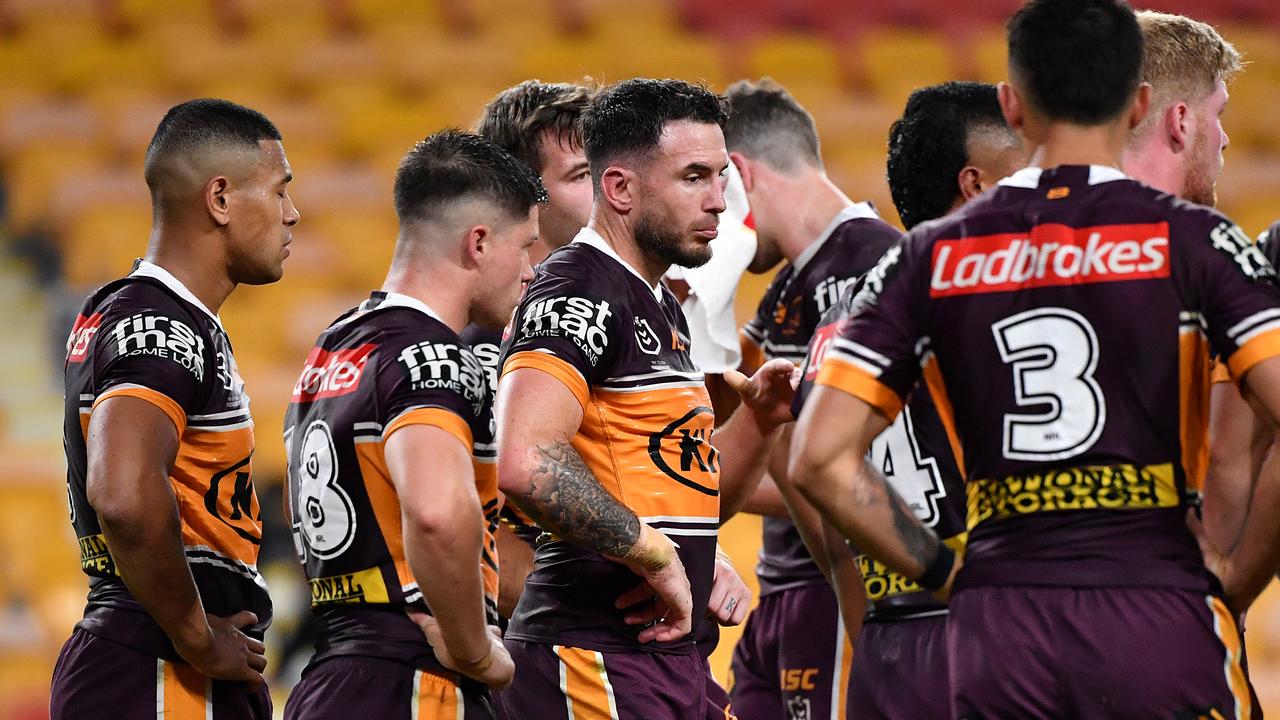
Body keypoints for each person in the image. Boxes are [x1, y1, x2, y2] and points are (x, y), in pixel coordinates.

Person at [789, 0, 1280, 716]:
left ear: (1013, 106)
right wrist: (1238, 572)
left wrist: (947, 572)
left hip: (1001, 624)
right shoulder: (1196, 240)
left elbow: (817, 460)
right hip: (1156, 604)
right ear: (1139, 100)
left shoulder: (930, 255)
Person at [495, 78, 795, 719]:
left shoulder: (657, 300)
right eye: (694, 178)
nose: (719, 202)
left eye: (721, 177)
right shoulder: (576, 290)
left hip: (662, 660)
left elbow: (690, 487)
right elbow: (525, 460)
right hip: (591, 658)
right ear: (622, 189)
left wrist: (763, 421)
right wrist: (654, 553)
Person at [281, 130, 545, 719]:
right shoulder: (435, 356)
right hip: (412, 680)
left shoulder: (335, 347)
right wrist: (477, 652)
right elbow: (437, 512)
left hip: (331, 674)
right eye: (525, 246)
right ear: (477, 243)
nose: (531, 271)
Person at [51, 98, 298, 718]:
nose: (292, 215)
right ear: (219, 199)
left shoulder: (143, 312)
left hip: (151, 660)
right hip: (159, 671)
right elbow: (125, 493)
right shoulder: (161, 322)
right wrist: (195, 635)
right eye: (278, 192)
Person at [794, 81, 1021, 720]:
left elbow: (837, 535)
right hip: (995, 626)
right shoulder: (996, 296)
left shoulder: (839, 316)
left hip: (890, 640)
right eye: (1024, 170)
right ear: (977, 184)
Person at [717, 78, 901, 720]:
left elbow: (854, 469)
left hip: (838, 587)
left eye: (711, 185)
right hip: (784, 591)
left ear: (738, 172)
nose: (709, 212)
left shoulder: (875, 267)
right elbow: (731, 449)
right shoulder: (787, 290)